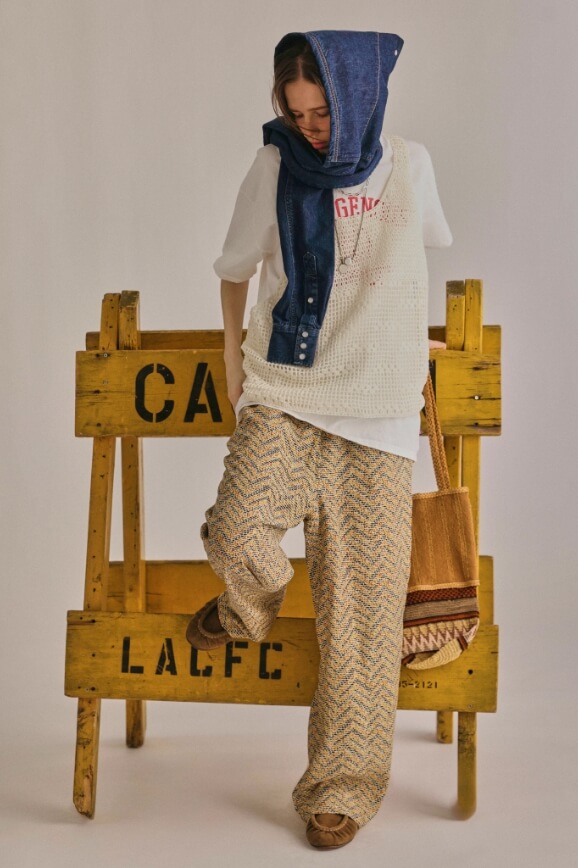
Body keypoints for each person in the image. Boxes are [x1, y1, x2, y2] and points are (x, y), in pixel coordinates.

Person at [186, 30, 452, 850]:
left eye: (322, 113)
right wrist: (234, 362)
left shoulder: (410, 165)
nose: (309, 128)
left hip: (378, 415)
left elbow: (414, 266)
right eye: (296, 112)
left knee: (362, 619)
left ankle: (341, 789)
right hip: (288, 393)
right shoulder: (274, 166)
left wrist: (408, 341)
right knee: (237, 529)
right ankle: (245, 609)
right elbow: (235, 269)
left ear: (360, 95)